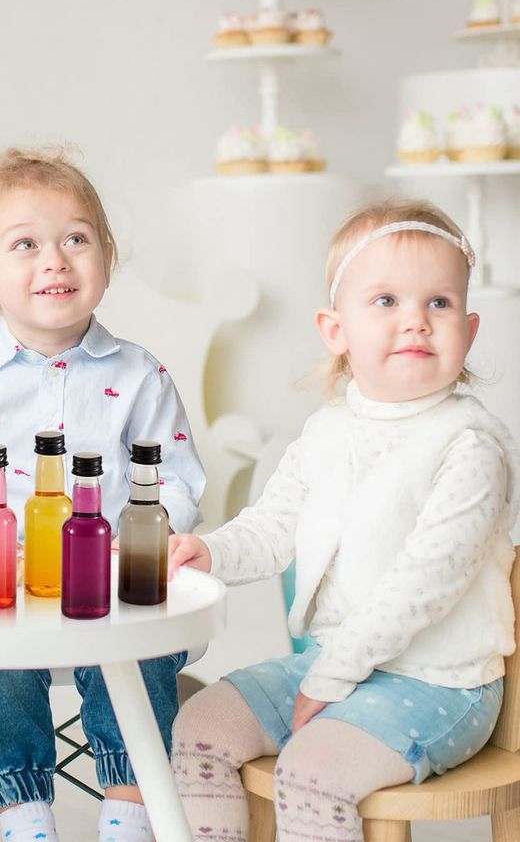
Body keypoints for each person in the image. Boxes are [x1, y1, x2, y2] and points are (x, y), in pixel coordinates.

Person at [0, 147, 206, 842]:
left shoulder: (140, 375)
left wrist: (151, 534)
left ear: (107, 260)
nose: (55, 261)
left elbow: (175, 476)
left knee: (142, 654)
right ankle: (24, 814)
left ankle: (128, 807)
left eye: (76, 240)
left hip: (111, 587)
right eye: (26, 245)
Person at [170, 199, 519, 842]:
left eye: (438, 303)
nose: (415, 320)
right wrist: (209, 551)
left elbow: (422, 585)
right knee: (200, 727)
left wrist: (333, 676)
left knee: (310, 771)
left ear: (468, 331)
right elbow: (275, 526)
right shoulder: (328, 430)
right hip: (334, 663)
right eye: (386, 301)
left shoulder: (470, 444)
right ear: (336, 330)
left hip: (439, 681)